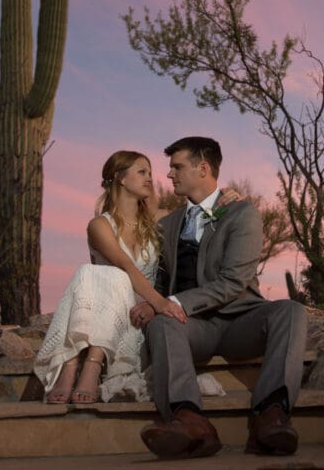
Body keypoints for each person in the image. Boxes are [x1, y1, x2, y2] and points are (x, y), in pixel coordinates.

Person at [131, 136, 307, 459]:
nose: (169, 175)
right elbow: (159, 275)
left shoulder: (241, 213)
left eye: (177, 167)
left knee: (292, 311)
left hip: (241, 320)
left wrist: (177, 302)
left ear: (203, 168)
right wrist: (153, 302)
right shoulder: (167, 224)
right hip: (191, 327)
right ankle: (190, 421)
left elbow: (234, 280)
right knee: (161, 324)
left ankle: (269, 417)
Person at [32, 150, 239, 404]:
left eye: (150, 173)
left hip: (140, 315)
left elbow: (203, 210)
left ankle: (79, 365)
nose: (150, 178)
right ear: (120, 178)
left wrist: (226, 199)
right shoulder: (99, 225)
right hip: (109, 311)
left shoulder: (161, 219)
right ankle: (79, 364)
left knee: (101, 274)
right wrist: (161, 301)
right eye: (142, 172)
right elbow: (125, 265)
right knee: (96, 273)